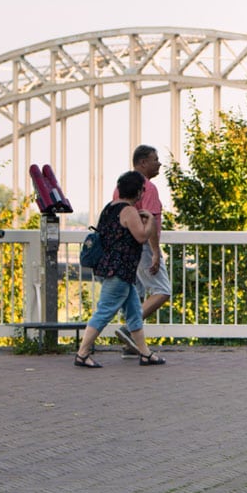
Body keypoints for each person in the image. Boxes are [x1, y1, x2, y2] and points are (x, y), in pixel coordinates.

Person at [72, 170, 166, 368]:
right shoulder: (129, 211)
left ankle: (145, 354)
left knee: (133, 313)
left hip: (109, 268)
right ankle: (82, 353)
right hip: (120, 270)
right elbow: (141, 237)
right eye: (141, 189)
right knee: (104, 311)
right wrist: (150, 221)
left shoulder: (110, 208)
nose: (143, 192)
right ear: (137, 191)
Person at [110, 144, 171, 353]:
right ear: (143, 162)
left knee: (135, 294)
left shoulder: (121, 186)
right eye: (155, 159)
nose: (159, 163)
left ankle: (132, 344)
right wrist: (155, 252)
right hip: (143, 245)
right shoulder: (148, 188)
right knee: (162, 290)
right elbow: (151, 220)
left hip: (126, 247)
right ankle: (129, 329)